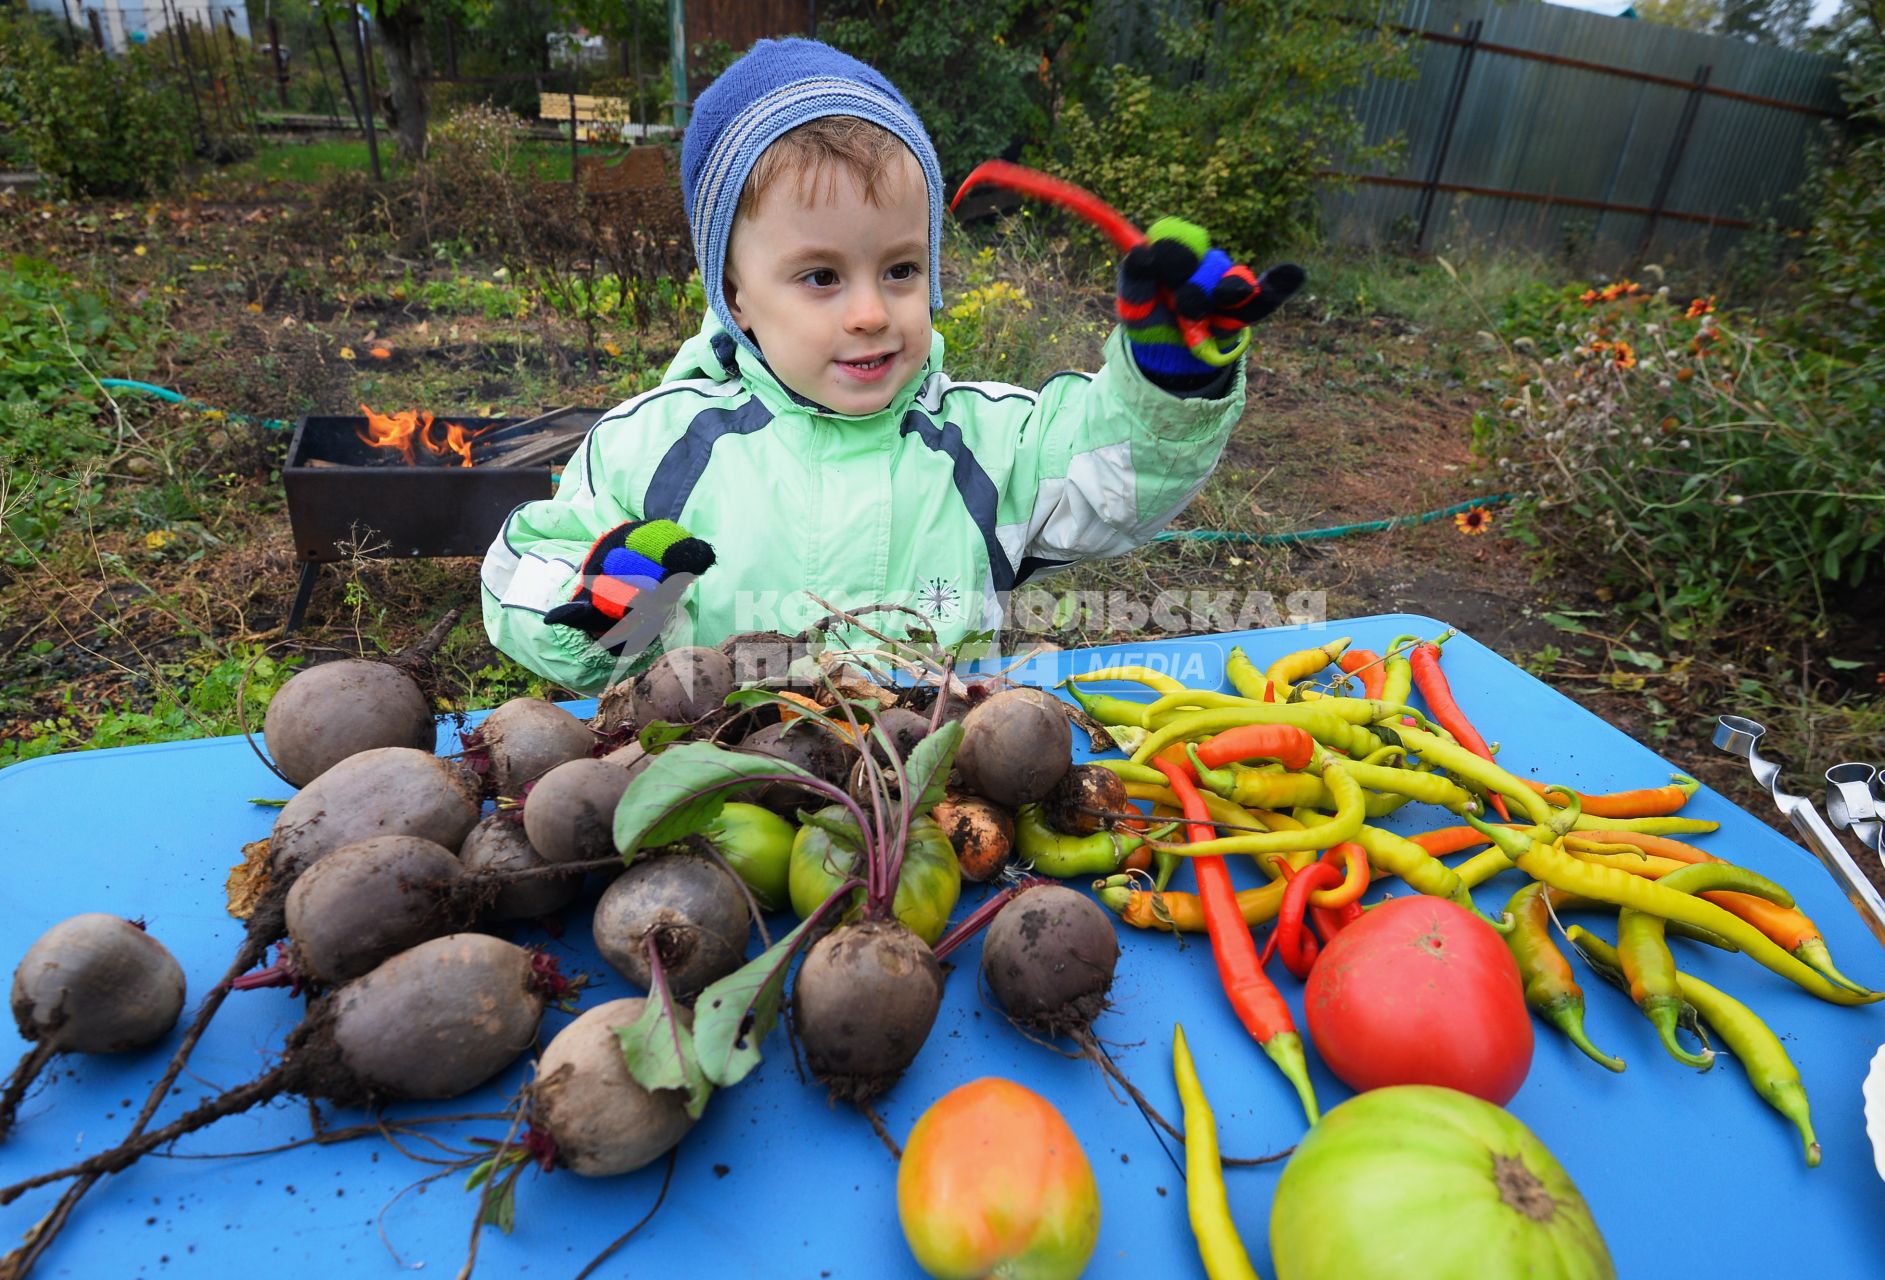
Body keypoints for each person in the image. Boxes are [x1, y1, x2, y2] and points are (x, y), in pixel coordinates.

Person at [480, 37, 1302, 694]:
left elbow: (1112, 483)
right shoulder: (648, 447)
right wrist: (603, 607)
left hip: (932, 806)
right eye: (821, 277)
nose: (871, 311)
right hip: (715, 806)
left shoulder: (985, 441)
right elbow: (527, 570)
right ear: (736, 296)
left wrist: (1168, 375)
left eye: (901, 270)